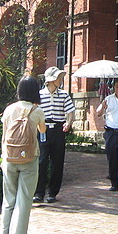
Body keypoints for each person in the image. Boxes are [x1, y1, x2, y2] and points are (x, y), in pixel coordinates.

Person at [0, 76, 46, 234]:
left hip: (9, 157)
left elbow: (4, 135)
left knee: (8, 199)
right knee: (25, 199)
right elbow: (42, 130)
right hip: (29, 157)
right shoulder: (37, 110)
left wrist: (3, 157)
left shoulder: (9, 109)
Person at [33, 66, 75, 204]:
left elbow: (69, 111)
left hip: (58, 130)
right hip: (43, 129)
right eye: (58, 78)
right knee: (42, 161)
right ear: (51, 80)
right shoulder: (39, 95)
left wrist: (68, 123)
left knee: (57, 162)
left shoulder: (64, 94)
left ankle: (52, 192)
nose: (60, 80)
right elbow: (34, 112)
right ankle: (39, 192)